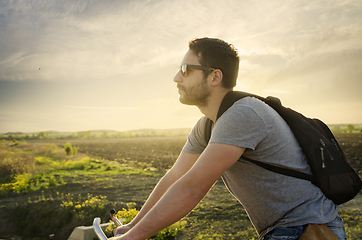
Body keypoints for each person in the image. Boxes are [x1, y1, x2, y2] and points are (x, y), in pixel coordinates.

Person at [111, 37, 346, 240]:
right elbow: (176, 176)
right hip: (285, 228)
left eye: (185, 69)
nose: (176, 77)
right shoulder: (206, 126)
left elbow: (194, 187)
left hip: (307, 228)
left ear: (215, 77)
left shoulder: (243, 114)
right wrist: (133, 226)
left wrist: (134, 236)